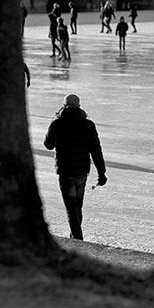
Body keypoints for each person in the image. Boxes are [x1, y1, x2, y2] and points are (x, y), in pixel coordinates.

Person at [43, 93, 107, 241]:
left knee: (72, 209)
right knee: (77, 207)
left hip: (66, 172)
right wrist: (101, 173)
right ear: (79, 106)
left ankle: (77, 238)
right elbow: (96, 150)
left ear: (64, 106)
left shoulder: (57, 123)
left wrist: (54, 121)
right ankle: (76, 236)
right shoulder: (88, 124)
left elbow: (48, 145)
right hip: (82, 171)